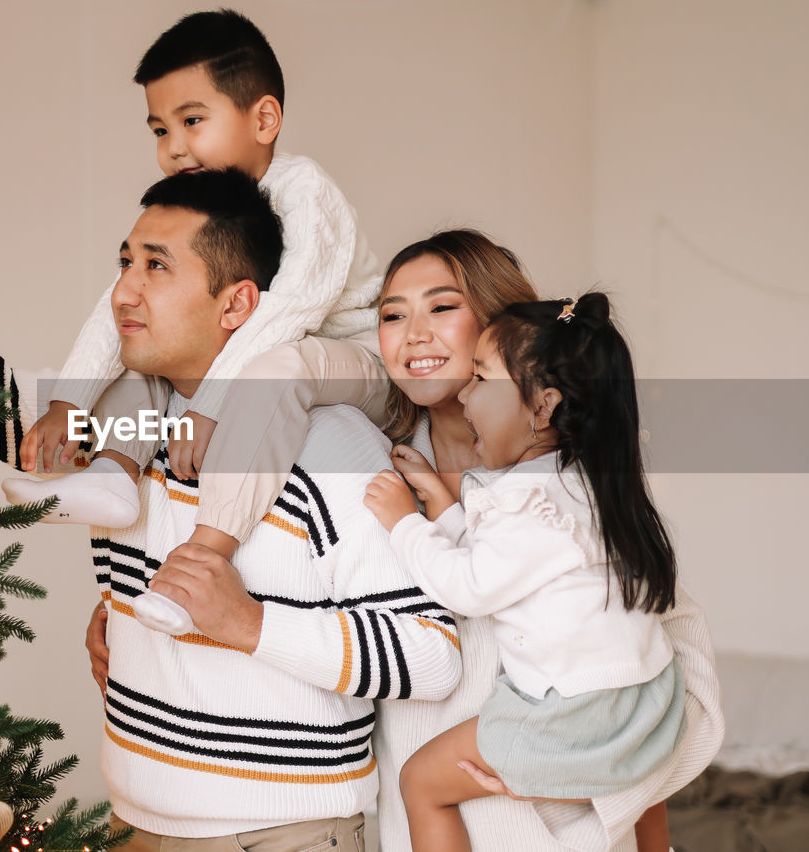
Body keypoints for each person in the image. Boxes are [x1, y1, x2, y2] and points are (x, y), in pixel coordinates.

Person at [89, 230, 724, 851]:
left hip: (560, 825)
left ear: (506, 331)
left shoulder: (570, 492)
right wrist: (128, 630)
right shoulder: (370, 466)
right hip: (414, 823)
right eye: (392, 315)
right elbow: (285, 599)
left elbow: (658, 679)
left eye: (443, 308)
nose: (414, 334)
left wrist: (589, 779)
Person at [88, 168, 462, 850]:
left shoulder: (331, 443)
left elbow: (432, 654)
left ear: (236, 305)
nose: (123, 292)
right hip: (129, 824)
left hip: (280, 835)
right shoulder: (131, 441)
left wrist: (248, 621)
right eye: (124, 263)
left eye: (157, 267)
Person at [4, 10, 387, 636]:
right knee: (148, 344)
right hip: (257, 352)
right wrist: (69, 405)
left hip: (345, 354)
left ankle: (210, 551)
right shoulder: (199, 208)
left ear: (264, 120)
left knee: (271, 365)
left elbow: (289, 312)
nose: (173, 147)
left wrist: (211, 402)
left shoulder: (303, 190)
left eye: (192, 121)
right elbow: (119, 306)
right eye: (160, 128)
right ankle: (114, 474)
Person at [366, 288, 688, 851]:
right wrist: (443, 506)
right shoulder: (592, 486)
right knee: (645, 803)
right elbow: (507, 563)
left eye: (483, 378)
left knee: (420, 782)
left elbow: (470, 588)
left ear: (543, 406)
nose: (467, 393)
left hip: (571, 718)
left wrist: (404, 523)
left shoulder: (523, 501)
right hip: (647, 707)